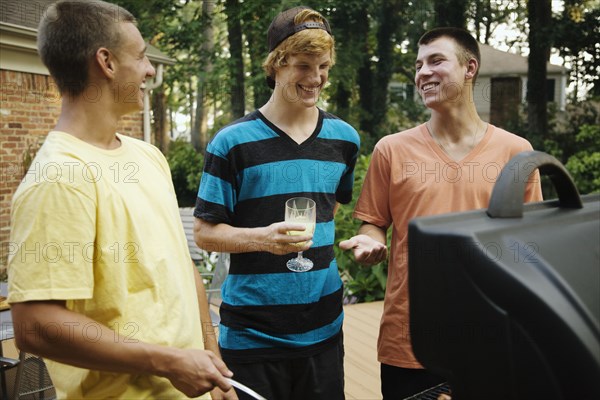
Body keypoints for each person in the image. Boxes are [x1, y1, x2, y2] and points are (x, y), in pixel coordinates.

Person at [6, 1, 235, 398]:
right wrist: (166, 360)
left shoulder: (147, 156)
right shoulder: (59, 178)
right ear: (106, 62)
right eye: (142, 56)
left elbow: (183, 270)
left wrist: (214, 364)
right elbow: (33, 324)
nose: (150, 70)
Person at [340, 27, 543, 399]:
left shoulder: (516, 152)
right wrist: (370, 244)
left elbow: (529, 247)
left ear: (469, 68)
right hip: (410, 339)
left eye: (436, 61)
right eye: (418, 65)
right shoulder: (391, 150)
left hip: (491, 338)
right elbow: (374, 223)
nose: (422, 73)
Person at [193, 6, 360, 400]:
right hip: (253, 338)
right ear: (276, 65)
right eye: (303, 66)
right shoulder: (232, 142)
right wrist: (262, 239)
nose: (315, 78)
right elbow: (204, 233)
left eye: (323, 66)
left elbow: (330, 207)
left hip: (324, 330)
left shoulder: (345, 138)